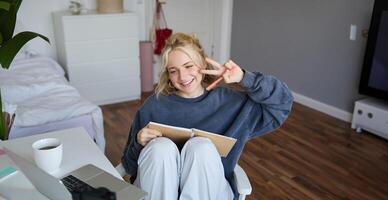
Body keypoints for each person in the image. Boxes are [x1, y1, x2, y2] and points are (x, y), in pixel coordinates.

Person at [121, 32, 293, 200]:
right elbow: (129, 167)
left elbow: (282, 103)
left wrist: (243, 77)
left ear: (202, 63)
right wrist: (137, 143)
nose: (182, 76)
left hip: (211, 191)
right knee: (160, 148)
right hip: (156, 191)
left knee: (201, 147)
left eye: (188, 66)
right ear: (168, 74)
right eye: (174, 70)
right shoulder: (153, 106)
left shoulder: (232, 103)